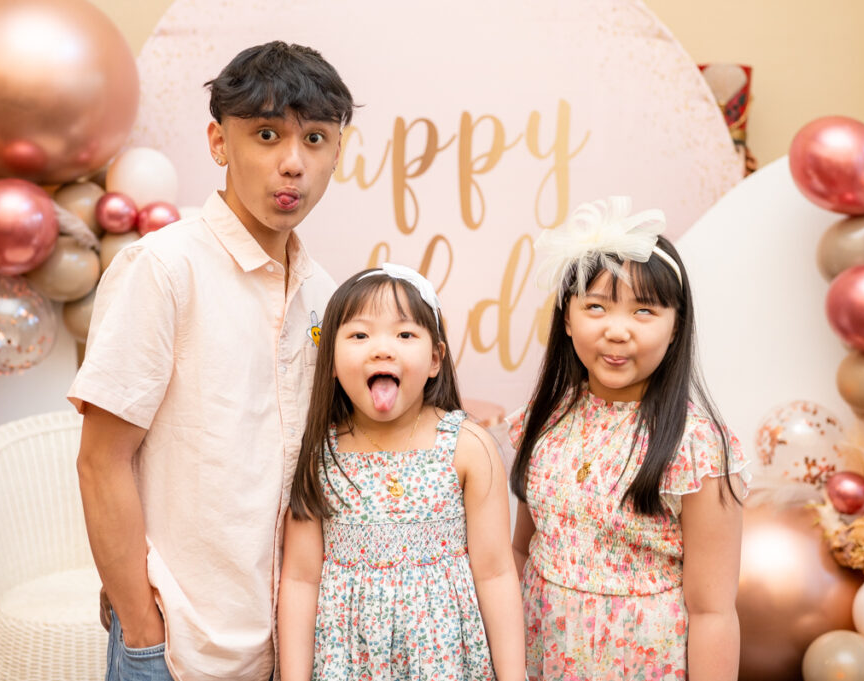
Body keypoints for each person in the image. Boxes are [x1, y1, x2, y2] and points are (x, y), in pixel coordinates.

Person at [69, 41, 355, 681]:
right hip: (175, 643)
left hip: (287, 643)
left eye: (315, 139)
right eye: (266, 134)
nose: (292, 163)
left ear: (339, 151)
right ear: (219, 143)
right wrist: (141, 628)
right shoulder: (163, 269)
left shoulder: (324, 293)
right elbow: (100, 460)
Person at [508, 197, 749, 681]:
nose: (617, 331)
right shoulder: (546, 419)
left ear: (676, 325)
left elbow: (712, 611)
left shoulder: (697, 446)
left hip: (643, 662)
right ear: (568, 318)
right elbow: (521, 550)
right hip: (542, 653)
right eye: (595, 307)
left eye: (644, 311)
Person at [278, 264, 526, 681]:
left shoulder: (467, 446)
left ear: (434, 359)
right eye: (359, 335)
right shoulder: (321, 455)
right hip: (350, 663)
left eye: (404, 334)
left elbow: (496, 571)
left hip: (444, 662)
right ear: (333, 363)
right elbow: (301, 580)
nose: (382, 349)